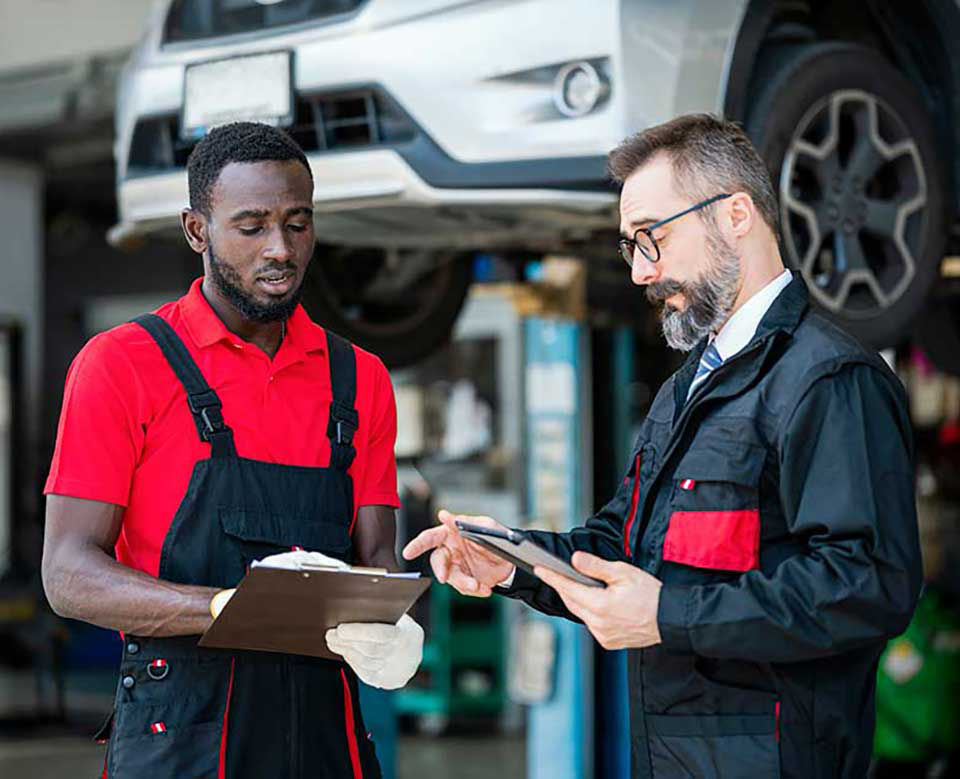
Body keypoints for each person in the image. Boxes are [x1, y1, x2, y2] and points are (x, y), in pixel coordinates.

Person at [403, 114, 923, 779]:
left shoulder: (827, 380)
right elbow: (620, 551)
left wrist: (666, 615)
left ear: (737, 214)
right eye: (631, 247)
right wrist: (510, 561)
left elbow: (868, 583)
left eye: (654, 238)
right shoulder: (685, 390)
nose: (643, 272)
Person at [41, 121, 422, 779]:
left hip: (325, 734)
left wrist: (391, 621)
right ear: (197, 230)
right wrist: (222, 607)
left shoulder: (359, 378)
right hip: (180, 734)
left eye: (298, 223)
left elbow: (378, 556)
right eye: (251, 226)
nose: (280, 248)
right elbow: (68, 572)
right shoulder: (121, 364)